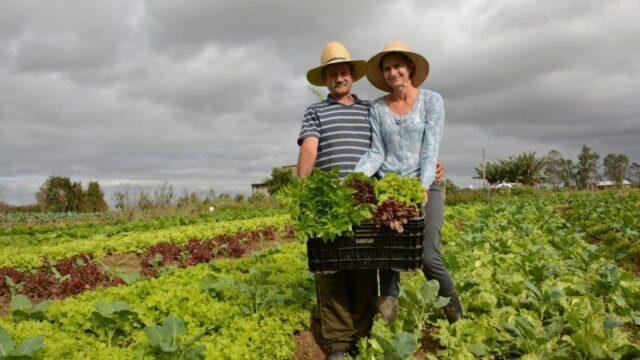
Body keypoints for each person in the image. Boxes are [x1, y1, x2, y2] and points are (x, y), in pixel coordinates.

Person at [355, 41, 464, 323]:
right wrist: (354, 180)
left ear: (410, 68)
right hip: (388, 188)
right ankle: (390, 325)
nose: (393, 73)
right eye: (387, 68)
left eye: (397, 66)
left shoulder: (432, 101)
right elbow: (377, 151)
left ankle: (457, 320)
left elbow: (430, 149)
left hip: (426, 184)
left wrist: (423, 185)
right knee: (389, 259)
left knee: (428, 256)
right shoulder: (378, 108)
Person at [297, 41, 378, 360]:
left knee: (362, 267)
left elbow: (389, 146)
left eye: (343, 71)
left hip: (364, 201)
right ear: (326, 79)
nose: (339, 77)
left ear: (352, 76)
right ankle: (338, 341)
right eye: (332, 73)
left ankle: (361, 332)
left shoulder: (371, 109)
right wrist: (304, 192)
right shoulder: (315, 111)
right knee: (330, 270)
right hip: (327, 202)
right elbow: (309, 149)